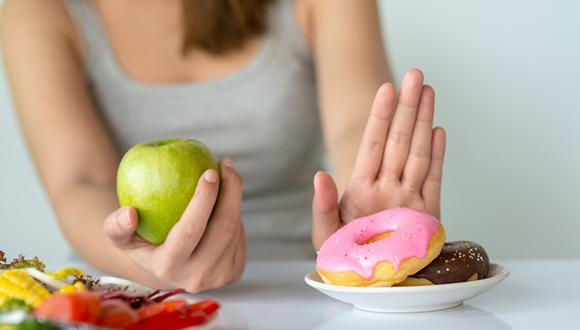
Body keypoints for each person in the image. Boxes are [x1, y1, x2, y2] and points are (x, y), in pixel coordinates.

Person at [1, 0, 445, 292]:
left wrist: (369, 221)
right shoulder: (35, 9)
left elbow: (354, 126)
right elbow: (79, 180)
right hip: (125, 296)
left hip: (296, 294)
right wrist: (148, 268)